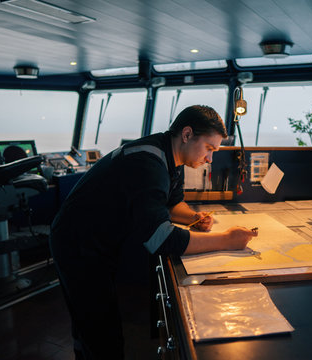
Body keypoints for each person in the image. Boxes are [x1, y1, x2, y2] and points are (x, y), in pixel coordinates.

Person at [49, 105, 257, 359]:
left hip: (99, 238)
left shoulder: (171, 156)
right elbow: (161, 239)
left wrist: (193, 217)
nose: (210, 158)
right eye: (209, 149)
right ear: (187, 134)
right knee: (100, 330)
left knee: (93, 320)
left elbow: (171, 204)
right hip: (78, 242)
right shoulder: (147, 163)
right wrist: (227, 240)